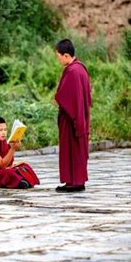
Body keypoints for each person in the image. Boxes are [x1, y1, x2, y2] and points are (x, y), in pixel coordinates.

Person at [54, 39, 91, 193]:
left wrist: (58, 99)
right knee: (76, 149)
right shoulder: (81, 69)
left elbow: (65, 96)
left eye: (58, 56)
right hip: (79, 115)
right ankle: (77, 181)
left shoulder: (72, 71)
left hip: (71, 118)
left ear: (66, 55)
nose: (58, 59)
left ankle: (73, 183)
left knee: (72, 148)